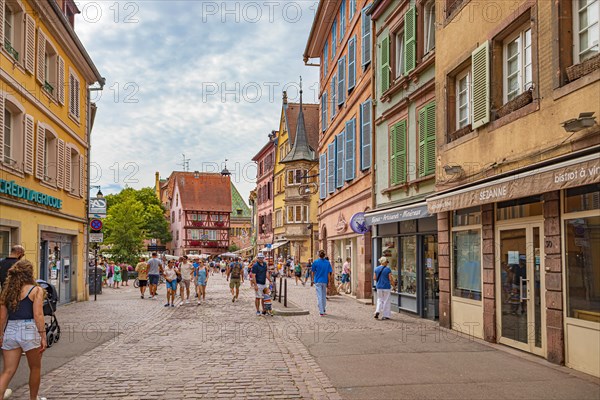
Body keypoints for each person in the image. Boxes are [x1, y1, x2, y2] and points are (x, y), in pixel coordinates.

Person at [0, 260, 47, 400]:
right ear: (29, 274)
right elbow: (38, 315)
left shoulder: (7, 291)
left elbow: (2, 317)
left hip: (11, 329)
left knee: (8, 371)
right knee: (35, 368)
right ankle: (33, 398)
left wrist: (1, 333)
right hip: (29, 329)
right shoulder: (35, 290)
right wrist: (43, 336)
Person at [311, 250, 333, 317]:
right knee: (323, 296)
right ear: (324, 255)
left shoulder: (315, 262)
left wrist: (312, 280)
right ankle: (323, 309)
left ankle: (321, 311)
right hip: (325, 281)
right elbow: (329, 273)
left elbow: (313, 272)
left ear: (318, 255)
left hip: (317, 281)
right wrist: (329, 282)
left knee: (319, 296)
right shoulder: (327, 263)